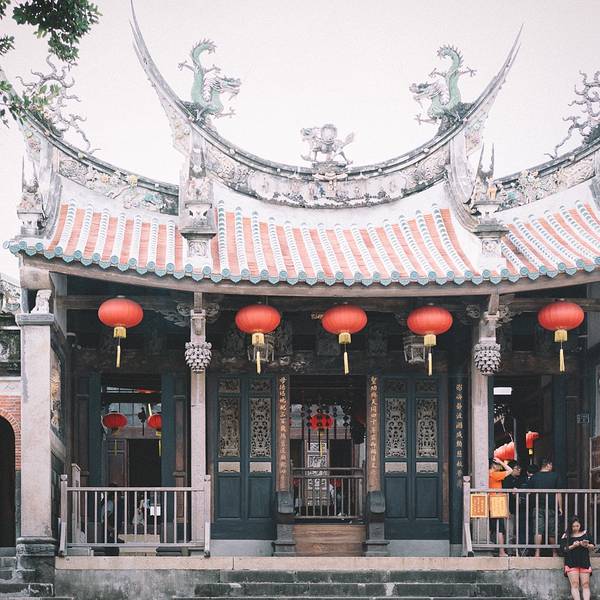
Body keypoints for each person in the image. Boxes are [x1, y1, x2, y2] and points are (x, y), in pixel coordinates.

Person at [529, 457, 563, 557]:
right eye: (551, 465)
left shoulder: (535, 476)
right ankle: (554, 553)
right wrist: (560, 507)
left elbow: (529, 491)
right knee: (552, 531)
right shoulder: (555, 476)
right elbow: (558, 493)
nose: (552, 467)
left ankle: (537, 553)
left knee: (538, 530)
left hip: (538, 506)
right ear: (548, 465)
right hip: (551, 507)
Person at [560, 516, 594, 600]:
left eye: (577, 526)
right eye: (573, 526)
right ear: (570, 526)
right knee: (575, 584)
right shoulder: (566, 535)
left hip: (584, 561)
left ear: (580, 525)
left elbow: (593, 546)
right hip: (571, 562)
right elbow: (563, 549)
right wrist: (573, 546)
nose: (575, 528)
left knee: (585, 584)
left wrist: (586, 545)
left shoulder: (585, 533)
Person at [489, 456, 513, 557]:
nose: (500, 467)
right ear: (494, 465)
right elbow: (510, 470)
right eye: (498, 465)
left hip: (489, 503)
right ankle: (501, 551)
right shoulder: (494, 474)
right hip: (496, 503)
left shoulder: (487, 474)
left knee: (492, 528)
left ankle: (494, 548)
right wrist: (501, 462)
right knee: (500, 529)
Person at [502, 461, 525, 546]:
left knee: (517, 531)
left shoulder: (520, 480)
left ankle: (516, 549)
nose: (519, 470)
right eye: (517, 468)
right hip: (509, 509)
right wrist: (506, 509)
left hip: (518, 509)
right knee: (510, 531)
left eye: (520, 468)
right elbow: (505, 495)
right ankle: (509, 550)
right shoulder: (506, 480)